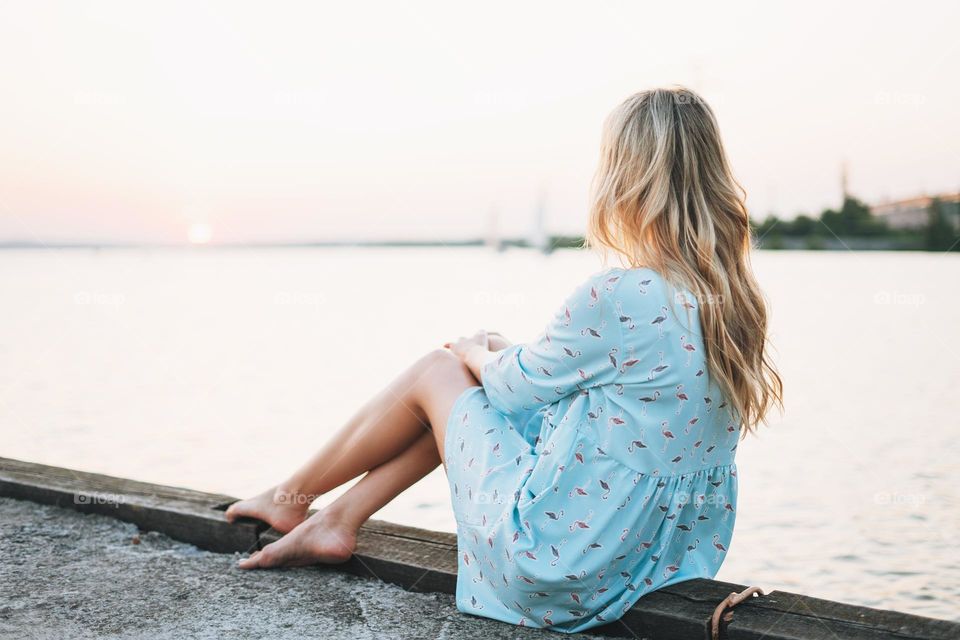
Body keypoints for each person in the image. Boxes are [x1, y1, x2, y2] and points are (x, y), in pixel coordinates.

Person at [226, 86, 782, 633]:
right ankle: (335, 521)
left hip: (558, 565)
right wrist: (499, 354)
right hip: (654, 562)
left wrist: (474, 349)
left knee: (438, 371)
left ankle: (288, 498)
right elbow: (575, 384)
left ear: (624, 176)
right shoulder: (736, 300)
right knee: (467, 391)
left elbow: (513, 390)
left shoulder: (620, 293)